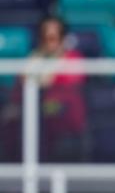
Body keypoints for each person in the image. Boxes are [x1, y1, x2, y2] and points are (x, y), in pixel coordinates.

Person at [1, 16, 86, 162]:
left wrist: (48, 76)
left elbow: (66, 84)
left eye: (53, 38)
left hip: (63, 113)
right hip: (36, 112)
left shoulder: (73, 58)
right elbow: (21, 87)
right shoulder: (35, 58)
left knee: (42, 112)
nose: (48, 42)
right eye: (44, 37)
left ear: (62, 38)